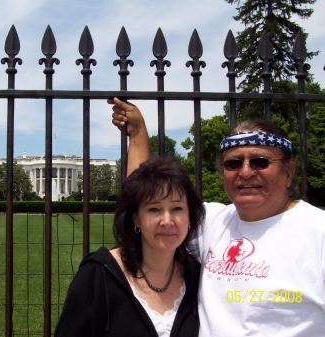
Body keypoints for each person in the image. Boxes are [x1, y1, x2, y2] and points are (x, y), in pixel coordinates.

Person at [109, 97, 325, 337]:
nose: (245, 172)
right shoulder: (212, 222)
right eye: (233, 164)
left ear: (288, 172)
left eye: (260, 162)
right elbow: (144, 199)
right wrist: (138, 133)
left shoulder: (318, 232)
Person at [54, 156, 205, 337]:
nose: (167, 221)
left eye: (177, 209)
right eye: (154, 209)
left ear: (190, 216)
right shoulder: (99, 275)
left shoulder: (198, 276)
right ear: (136, 219)